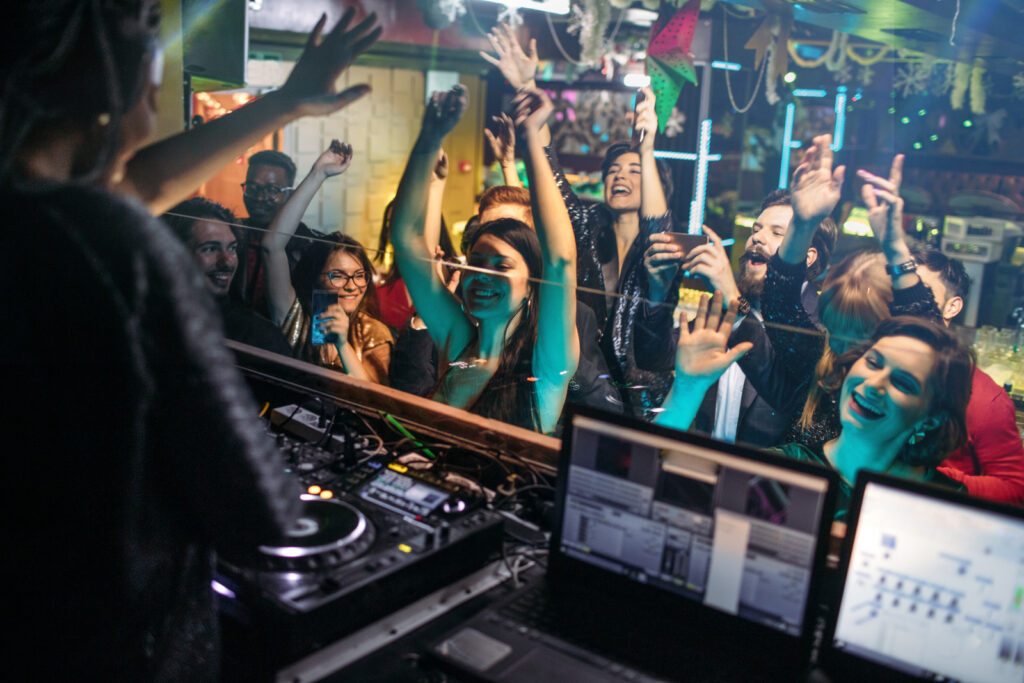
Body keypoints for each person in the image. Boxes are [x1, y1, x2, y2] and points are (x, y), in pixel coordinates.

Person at [0, 2, 380, 678]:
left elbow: (134, 183)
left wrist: (289, 103)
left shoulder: (30, 208)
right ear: (71, 47)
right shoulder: (123, 247)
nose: (157, 48)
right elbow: (254, 507)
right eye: (141, 21)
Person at [480, 22, 671, 416]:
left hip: (640, 408)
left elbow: (657, 228)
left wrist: (647, 148)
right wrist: (527, 86)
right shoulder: (583, 229)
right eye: (613, 170)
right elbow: (550, 174)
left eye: (634, 171)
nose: (620, 175)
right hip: (573, 394)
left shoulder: (659, 253)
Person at [656, 297, 971, 520]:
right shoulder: (788, 470)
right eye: (873, 362)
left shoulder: (946, 503)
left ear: (931, 419)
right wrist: (687, 389)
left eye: (904, 383)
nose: (874, 384)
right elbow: (667, 491)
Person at [390, 85, 579, 433]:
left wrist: (531, 142)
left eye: (501, 266)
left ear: (532, 284)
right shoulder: (459, 342)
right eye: (475, 262)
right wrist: (429, 138)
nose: (482, 276)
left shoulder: (546, 362)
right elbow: (405, 240)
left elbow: (561, 259)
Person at [636, 145, 839, 446]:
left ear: (807, 257)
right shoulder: (720, 308)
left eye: (776, 232)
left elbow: (788, 394)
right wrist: (656, 291)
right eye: (756, 229)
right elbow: (653, 357)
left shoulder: (821, 324)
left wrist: (732, 296)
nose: (756, 237)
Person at [262, 142, 393, 384]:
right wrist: (318, 174)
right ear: (316, 278)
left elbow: (375, 405)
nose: (352, 285)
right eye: (339, 275)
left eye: (360, 275)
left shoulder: (372, 331)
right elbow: (272, 246)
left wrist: (342, 345)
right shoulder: (299, 321)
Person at [163, 197, 293, 356]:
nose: (226, 261)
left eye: (232, 248)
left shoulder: (258, 335)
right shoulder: (147, 318)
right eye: (210, 249)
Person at [234, 150, 325, 316]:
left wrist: (325, 340)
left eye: (272, 190)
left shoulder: (313, 246)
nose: (260, 198)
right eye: (252, 188)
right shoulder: (231, 234)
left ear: (289, 193)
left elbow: (324, 321)